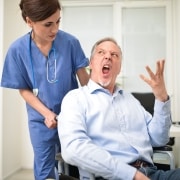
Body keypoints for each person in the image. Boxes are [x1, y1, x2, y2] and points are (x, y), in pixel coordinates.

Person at [58, 37, 180, 180]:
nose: (108, 56)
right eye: (101, 53)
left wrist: (161, 98)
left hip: (151, 174)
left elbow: (159, 139)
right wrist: (131, 175)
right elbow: (73, 148)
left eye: (114, 55)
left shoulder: (131, 100)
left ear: (119, 67)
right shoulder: (76, 98)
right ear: (91, 63)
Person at [0, 0, 89, 179]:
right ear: (29, 21)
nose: (55, 29)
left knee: (78, 166)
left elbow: (85, 82)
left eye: (58, 21)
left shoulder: (70, 42)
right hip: (40, 120)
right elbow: (23, 89)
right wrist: (47, 114)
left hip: (72, 117)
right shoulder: (17, 50)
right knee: (45, 170)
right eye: (48, 24)